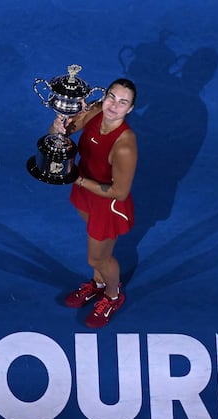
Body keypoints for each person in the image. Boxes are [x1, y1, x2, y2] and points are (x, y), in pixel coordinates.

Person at [49, 78, 138, 328]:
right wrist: (59, 126)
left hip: (107, 205)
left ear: (129, 109)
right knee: (97, 253)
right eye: (112, 97)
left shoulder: (125, 146)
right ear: (105, 95)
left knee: (98, 259)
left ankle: (112, 295)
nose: (114, 105)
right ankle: (98, 284)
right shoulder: (95, 112)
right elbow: (60, 134)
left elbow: (119, 193)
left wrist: (76, 179)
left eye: (123, 102)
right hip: (86, 193)